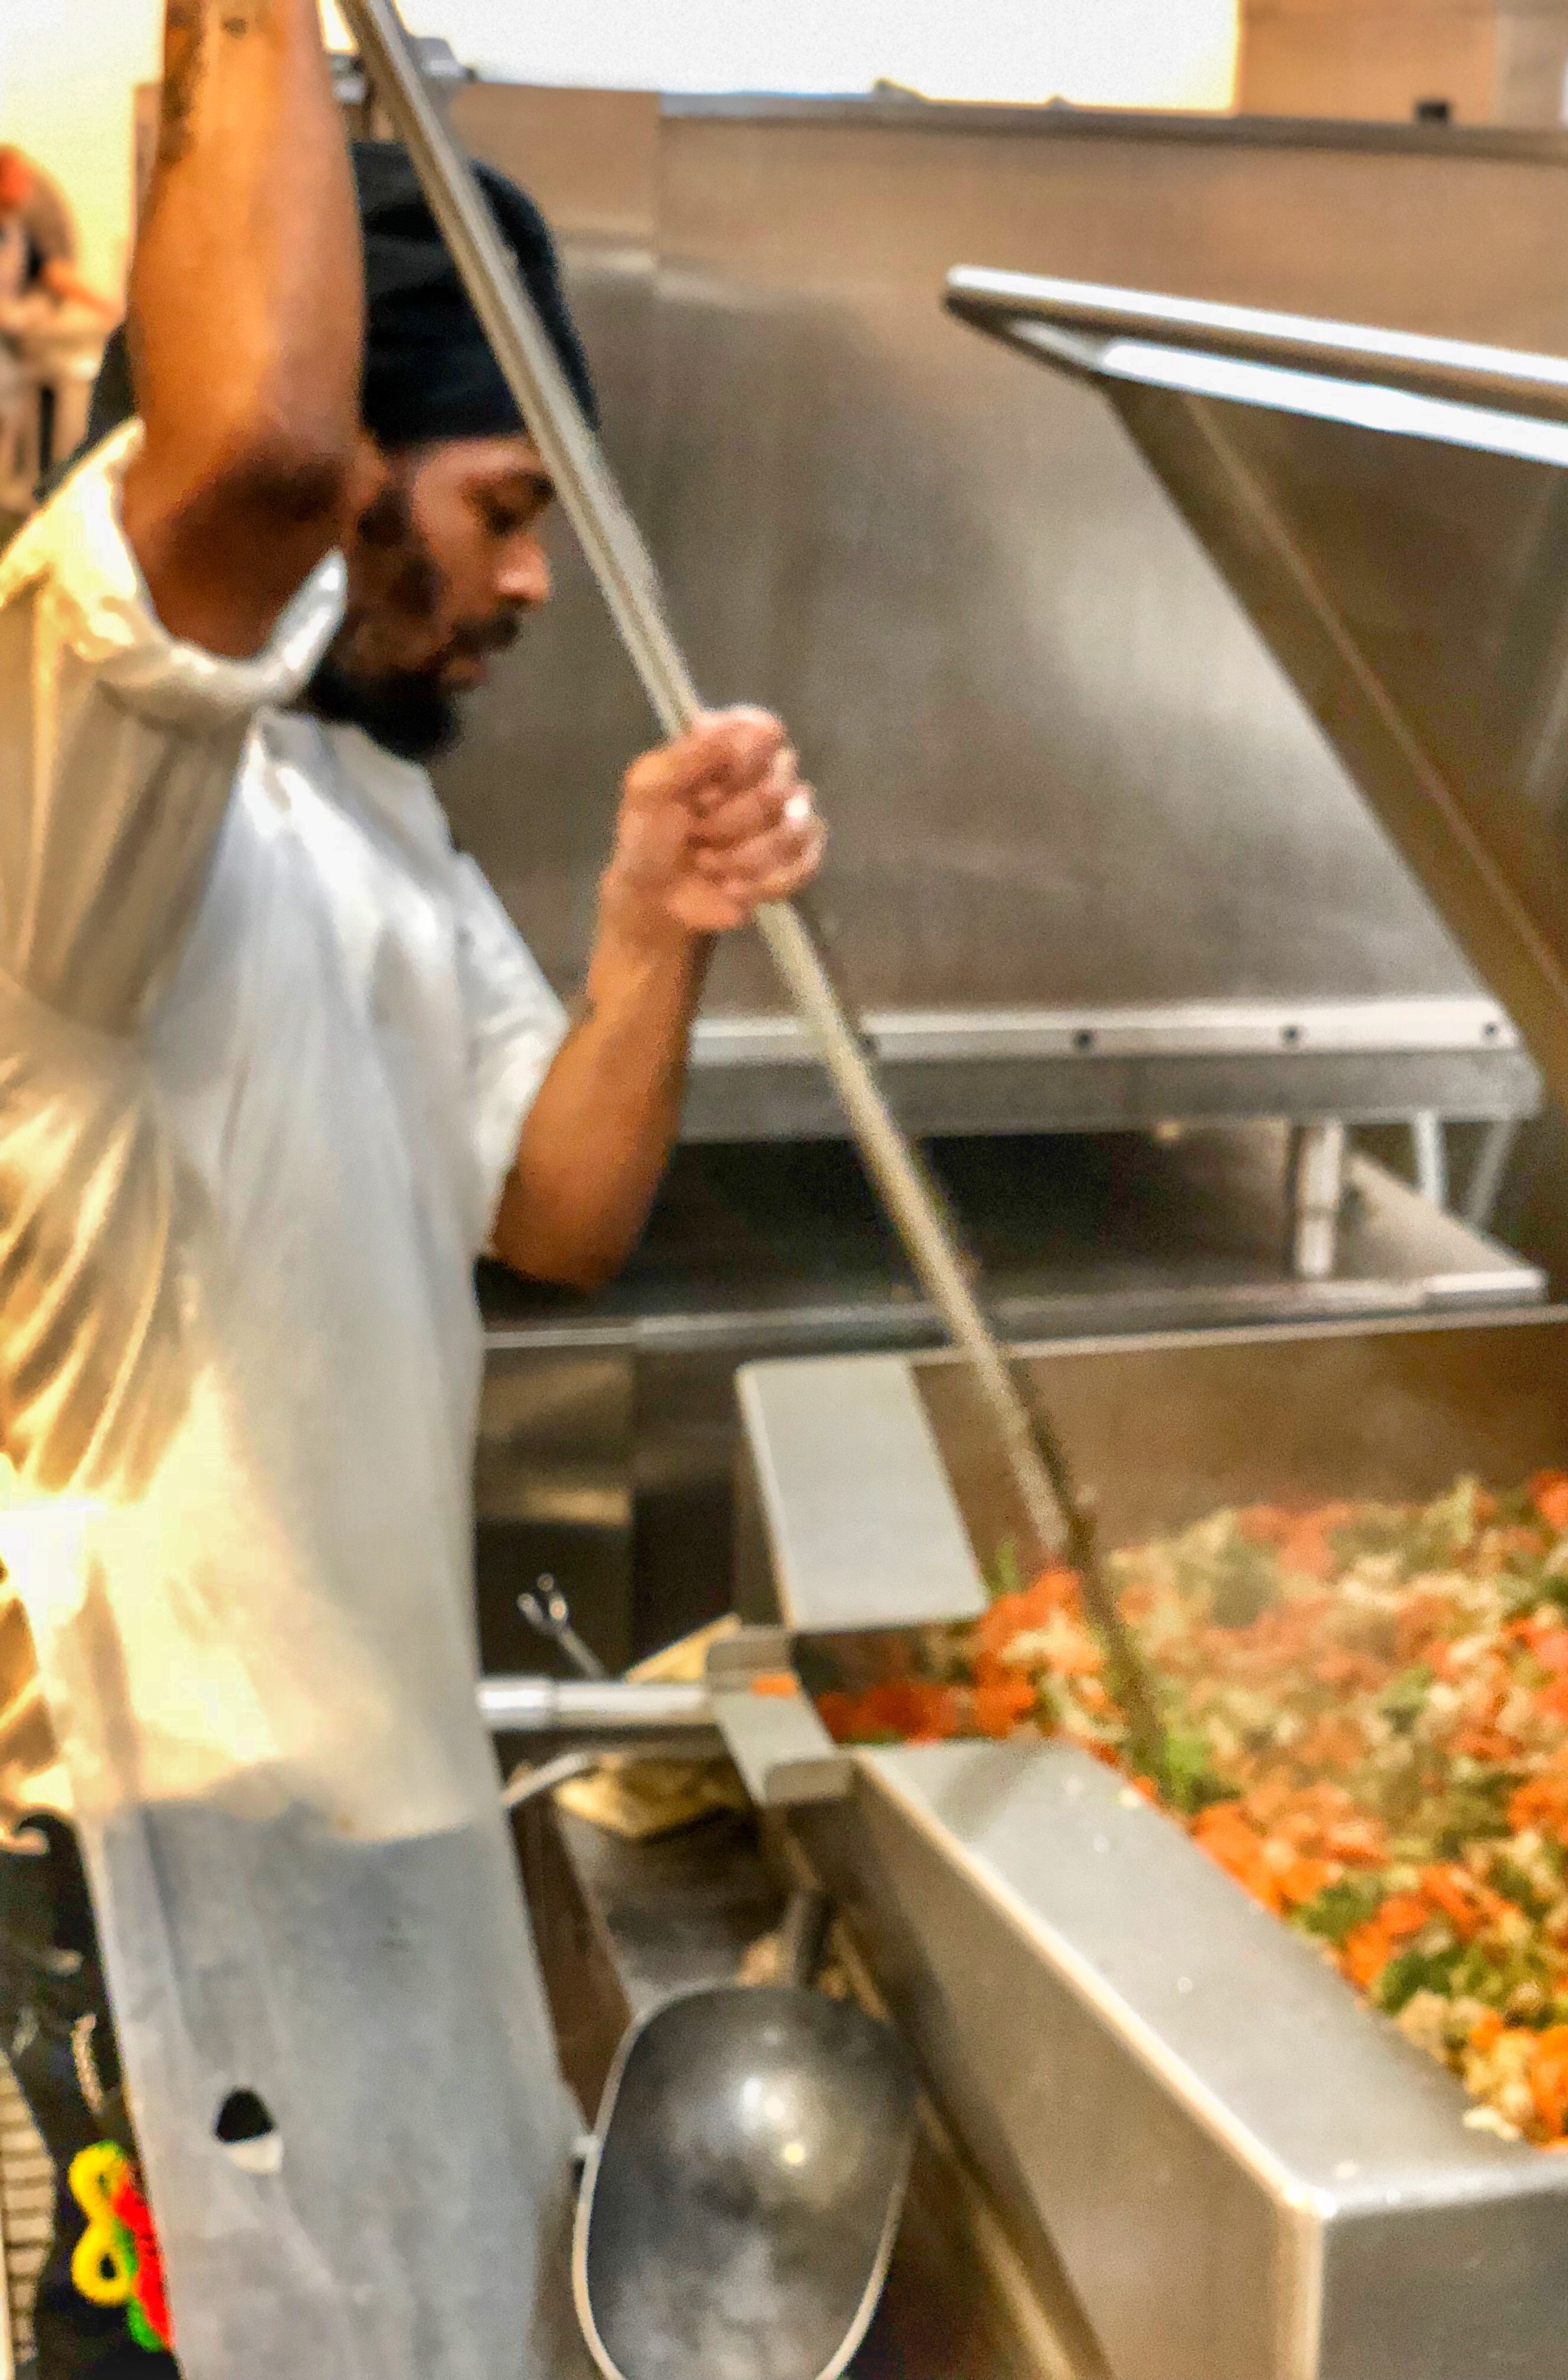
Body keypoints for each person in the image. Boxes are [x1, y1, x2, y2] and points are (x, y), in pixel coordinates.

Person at [0, 1, 824, 2375]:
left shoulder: (371, 813)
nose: (536, 582)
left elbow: (550, 1207)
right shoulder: (88, 760)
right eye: (507, 503)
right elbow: (240, 447)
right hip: (142, 1880)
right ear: (359, 479)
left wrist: (654, 929)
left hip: (362, 1846)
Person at [0, 148, 114, 317]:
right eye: (18, 178)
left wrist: (104, 304)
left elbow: (51, 271)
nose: (27, 185)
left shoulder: (14, 235)